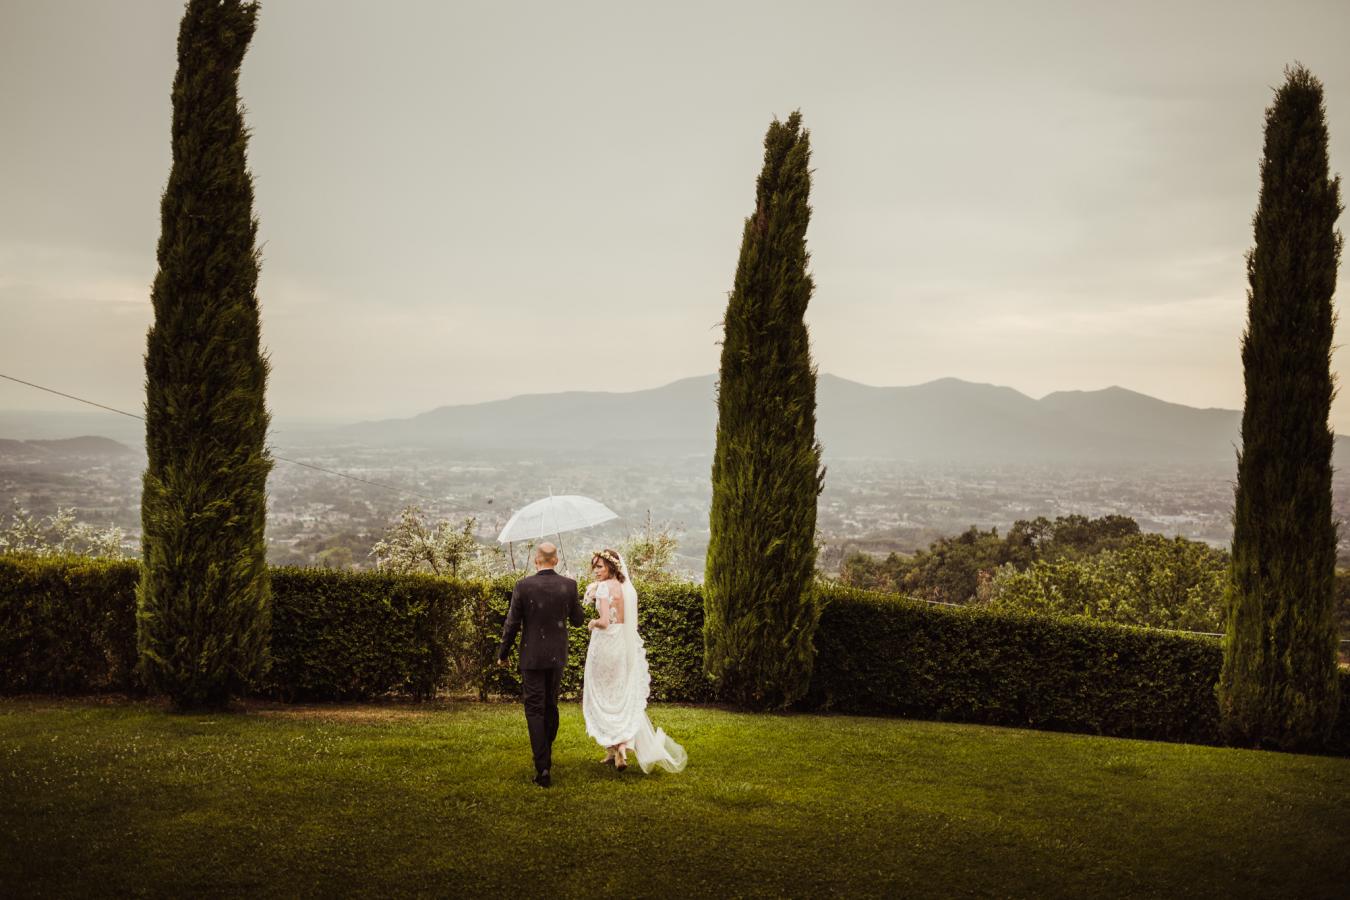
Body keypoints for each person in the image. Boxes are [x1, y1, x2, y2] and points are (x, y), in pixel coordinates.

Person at [581, 548, 687, 774]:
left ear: (610, 566)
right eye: (595, 567)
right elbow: (627, 620)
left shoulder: (603, 587)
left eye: (599, 566)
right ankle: (616, 748)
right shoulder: (628, 588)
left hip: (605, 644)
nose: (596, 571)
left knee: (602, 692)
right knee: (620, 692)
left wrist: (591, 622)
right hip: (622, 643)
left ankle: (616, 746)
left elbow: (604, 622)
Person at [496, 541, 586, 788]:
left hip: (532, 657)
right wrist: (575, 598)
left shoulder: (523, 586)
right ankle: (545, 752)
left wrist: (503, 653)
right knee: (550, 705)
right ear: (556, 560)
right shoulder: (569, 585)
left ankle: (543, 765)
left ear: (537, 561)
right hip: (557, 657)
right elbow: (578, 621)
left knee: (534, 709)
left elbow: (512, 624)